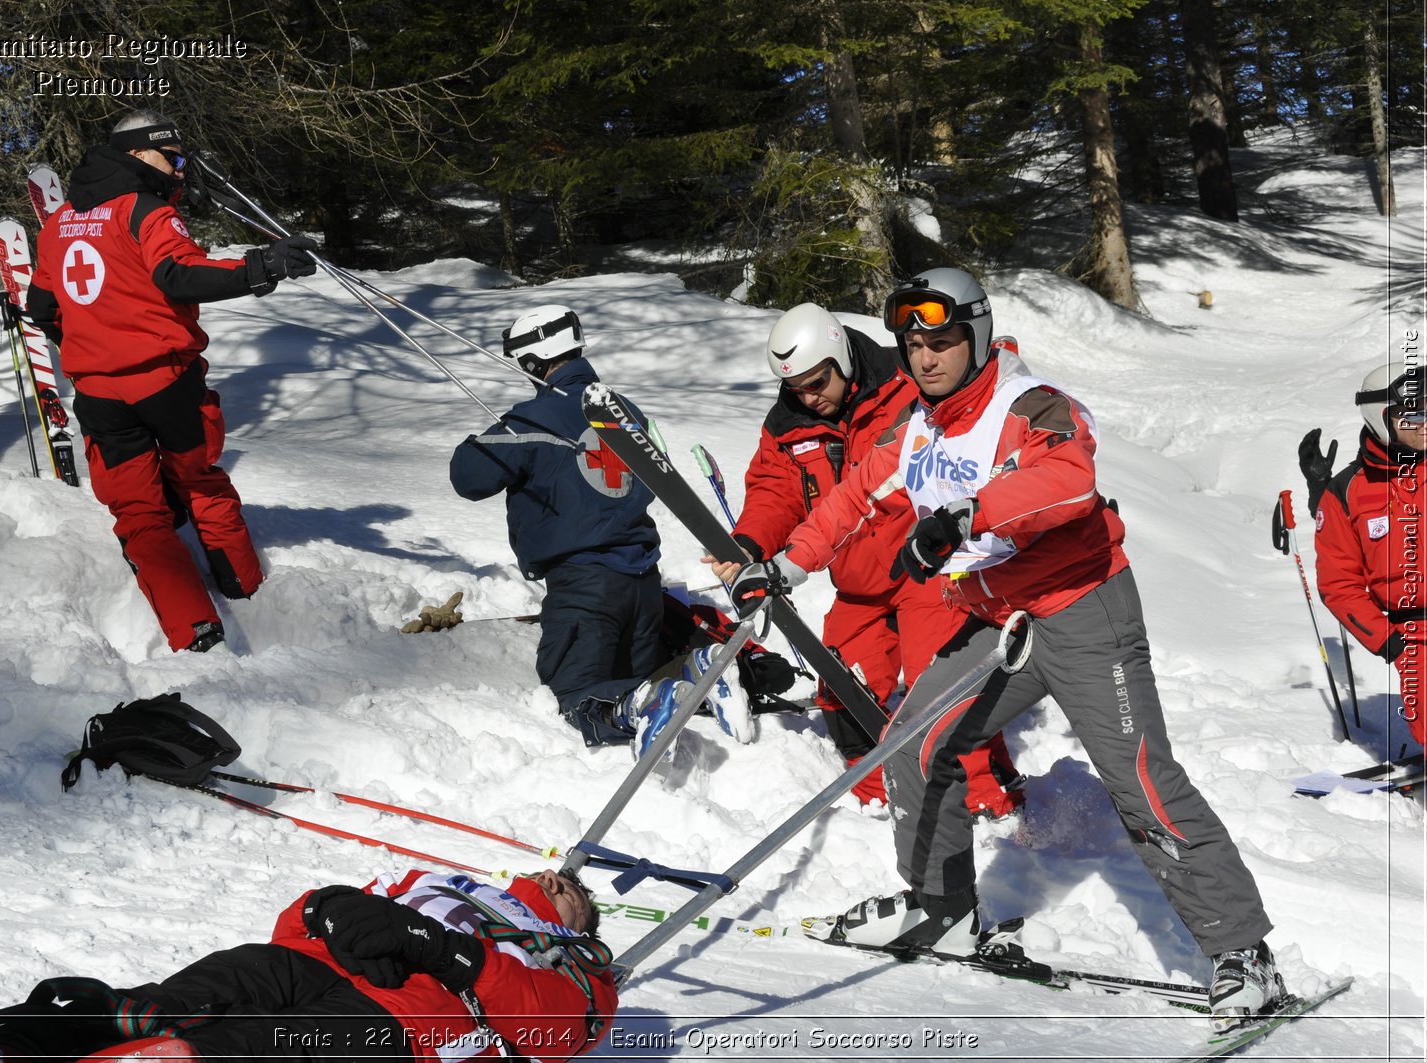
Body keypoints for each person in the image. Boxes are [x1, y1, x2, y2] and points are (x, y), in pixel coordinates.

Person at [734, 268, 1279, 1031]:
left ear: (978, 335)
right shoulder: (914, 425)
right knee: (916, 743)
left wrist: (966, 516)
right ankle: (942, 906)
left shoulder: (1026, 404)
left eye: (943, 341)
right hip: (997, 620)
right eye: (913, 344)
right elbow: (851, 498)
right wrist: (781, 567)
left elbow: (1069, 480)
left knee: (1139, 779)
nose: (926, 358)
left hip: (1082, 609)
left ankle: (1243, 953)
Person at [705, 303, 1022, 814]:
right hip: (857, 580)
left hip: (927, 573)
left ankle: (988, 801)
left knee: (940, 689)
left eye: (818, 381)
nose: (809, 397)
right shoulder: (790, 425)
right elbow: (774, 492)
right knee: (844, 686)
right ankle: (885, 798)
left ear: (843, 359)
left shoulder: (907, 387)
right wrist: (749, 543)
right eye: (797, 388)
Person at [26, 109, 318, 654]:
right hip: (166, 382)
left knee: (138, 511)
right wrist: (263, 266)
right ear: (138, 155)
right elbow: (180, 275)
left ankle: (193, 632)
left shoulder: (59, 221)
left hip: (99, 393)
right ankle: (246, 589)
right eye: (172, 157)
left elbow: (41, 304)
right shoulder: (147, 210)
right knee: (200, 481)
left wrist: (88, 344)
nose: (180, 169)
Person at [0, 869, 615, 1063]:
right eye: (554, 875)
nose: (555, 884)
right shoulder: (452, 882)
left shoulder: (583, 971)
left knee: (237, 1050)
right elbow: (317, 912)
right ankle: (2, 1040)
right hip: (301, 962)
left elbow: (551, 1032)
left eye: (572, 892)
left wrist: (447, 950)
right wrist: (327, 907)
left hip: (395, 1027)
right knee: (155, 1004)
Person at [449, 305, 752, 755]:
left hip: (584, 589)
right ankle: (698, 671)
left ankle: (683, 685)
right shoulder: (624, 410)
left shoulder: (534, 420)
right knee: (637, 685)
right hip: (643, 586)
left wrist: (496, 433)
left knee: (576, 700)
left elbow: (468, 477)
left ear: (533, 361)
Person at [1307, 361, 1427, 751]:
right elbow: (1339, 584)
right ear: (1382, 417)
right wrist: (1387, 640)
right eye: (1416, 412)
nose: (1426, 422)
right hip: (1414, 636)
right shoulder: (1347, 493)